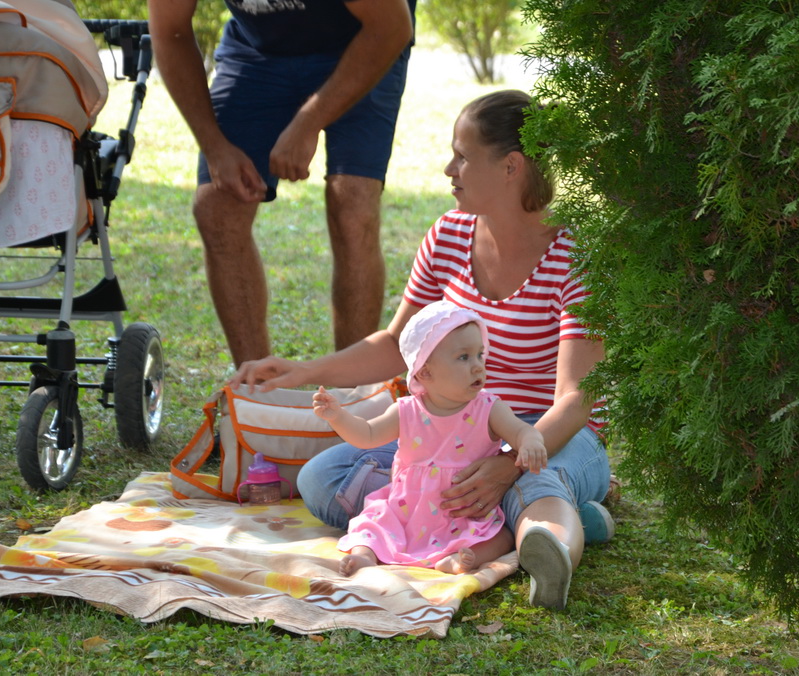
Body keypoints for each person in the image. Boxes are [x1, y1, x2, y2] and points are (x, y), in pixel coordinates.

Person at [230, 89, 614, 610]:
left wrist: (508, 463)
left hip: (546, 431)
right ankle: (546, 517)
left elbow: (576, 398)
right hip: (451, 427)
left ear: (511, 167)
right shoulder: (447, 236)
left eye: (463, 156)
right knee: (325, 479)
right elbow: (398, 344)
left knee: (536, 480)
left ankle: (549, 542)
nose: (449, 169)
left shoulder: (574, 256)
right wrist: (302, 370)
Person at [147, 0, 416, 364]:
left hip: (363, 40)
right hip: (258, 53)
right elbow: (170, 32)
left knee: (352, 201)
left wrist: (308, 122)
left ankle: (352, 386)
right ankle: (257, 381)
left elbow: (391, 28)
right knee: (216, 208)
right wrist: (213, 145)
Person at [313, 300, 547, 576]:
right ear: (425, 372)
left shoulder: (488, 409)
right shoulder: (407, 411)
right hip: (406, 511)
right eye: (464, 357)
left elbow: (519, 430)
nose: (478, 367)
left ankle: (462, 558)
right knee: (373, 524)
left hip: (462, 512)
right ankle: (365, 556)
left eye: (480, 355)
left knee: (501, 535)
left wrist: (530, 441)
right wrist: (338, 417)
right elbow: (367, 434)